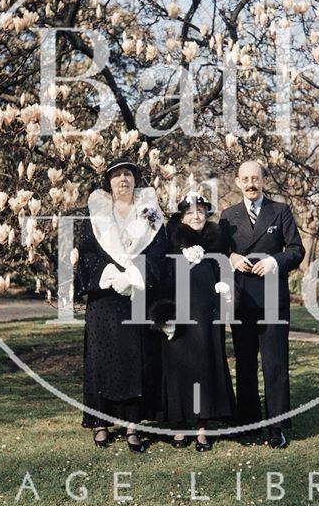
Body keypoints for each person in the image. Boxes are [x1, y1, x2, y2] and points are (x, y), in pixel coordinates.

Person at [74, 156, 169, 453]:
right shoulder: (96, 215)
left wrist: (137, 274)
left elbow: (160, 251)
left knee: (136, 359)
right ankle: (100, 423)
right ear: (109, 183)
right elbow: (87, 253)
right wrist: (108, 274)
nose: (122, 180)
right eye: (116, 176)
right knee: (101, 359)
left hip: (137, 295)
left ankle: (132, 426)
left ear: (135, 180)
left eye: (127, 174)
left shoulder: (150, 215)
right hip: (104, 298)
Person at [219, 161, 305, 449]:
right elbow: (218, 252)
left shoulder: (280, 211)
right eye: (245, 179)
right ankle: (248, 422)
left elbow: (296, 250)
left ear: (264, 181)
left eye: (255, 178)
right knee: (244, 364)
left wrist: (274, 261)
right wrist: (230, 258)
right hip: (241, 300)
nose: (251, 183)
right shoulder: (228, 216)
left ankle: (277, 426)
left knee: (275, 364)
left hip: (273, 301)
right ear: (237, 181)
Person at [150, 191, 236, 451]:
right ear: (182, 216)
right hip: (179, 315)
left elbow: (224, 272)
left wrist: (226, 287)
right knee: (178, 370)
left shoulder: (217, 241)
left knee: (204, 369)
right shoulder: (170, 243)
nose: (196, 216)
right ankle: (179, 426)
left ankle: (202, 427)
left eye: (200, 211)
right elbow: (161, 281)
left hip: (207, 316)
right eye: (190, 212)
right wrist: (163, 315)